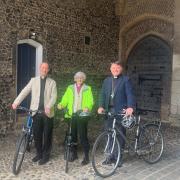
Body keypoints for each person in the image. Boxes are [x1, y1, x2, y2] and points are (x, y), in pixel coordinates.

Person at [12, 62, 57, 165]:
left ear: (48, 70)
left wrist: (48, 106)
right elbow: (24, 91)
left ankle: (46, 156)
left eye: (46, 68)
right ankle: (39, 153)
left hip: (47, 113)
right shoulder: (33, 81)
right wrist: (16, 102)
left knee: (47, 136)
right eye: (43, 68)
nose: (44, 70)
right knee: (37, 135)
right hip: (36, 112)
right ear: (40, 69)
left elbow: (54, 97)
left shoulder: (52, 82)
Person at [98, 61, 135, 166]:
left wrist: (130, 107)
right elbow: (102, 94)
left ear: (121, 69)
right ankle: (110, 157)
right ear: (110, 69)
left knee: (120, 134)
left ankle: (118, 158)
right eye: (113, 68)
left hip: (120, 111)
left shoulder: (126, 80)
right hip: (108, 111)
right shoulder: (107, 80)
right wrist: (100, 106)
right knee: (108, 134)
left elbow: (130, 94)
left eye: (118, 68)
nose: (115, 69)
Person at [57, 71, 94, 165]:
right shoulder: (70, 88)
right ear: (75, 79)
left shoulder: (87, 88)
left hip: (82, 115)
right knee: (72, 136)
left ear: (83, 79)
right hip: (71, 115)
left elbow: (90, 101)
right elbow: (65, 98)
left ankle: (86, 156)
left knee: (83, 136)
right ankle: (74, 154)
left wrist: (87, 107)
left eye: (81, 78)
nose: (79, 79)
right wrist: (61, 104)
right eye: (78, 78)